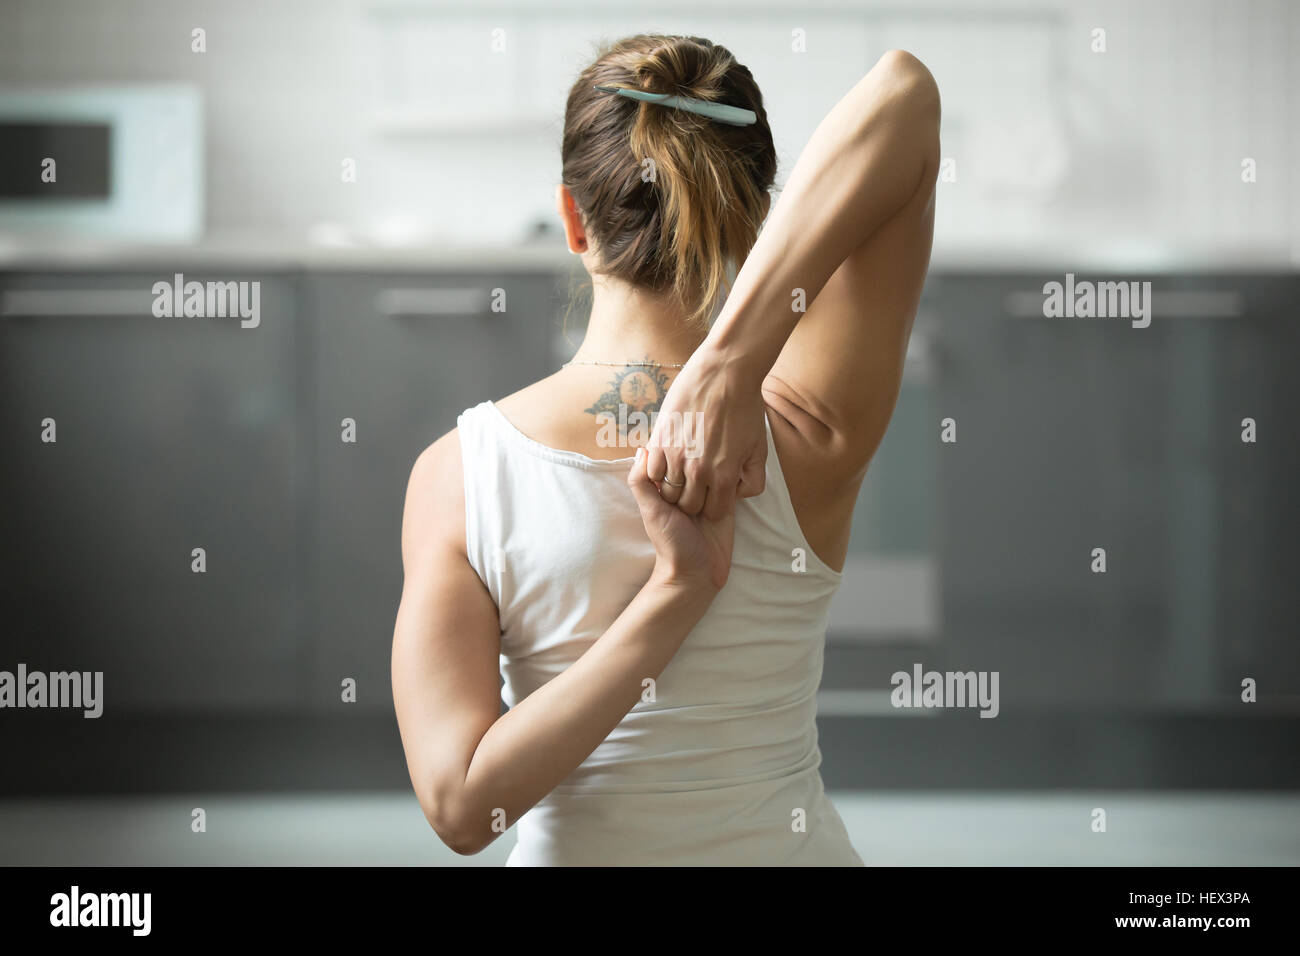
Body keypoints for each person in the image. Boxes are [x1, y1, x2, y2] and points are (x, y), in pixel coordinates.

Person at [391, 33, 939, 865]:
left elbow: (462, 806)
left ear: (573, 219)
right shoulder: (807, 428)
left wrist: (676, 594)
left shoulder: (459, 475)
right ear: (760, 217)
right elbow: (906, 95)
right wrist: (677, 586)